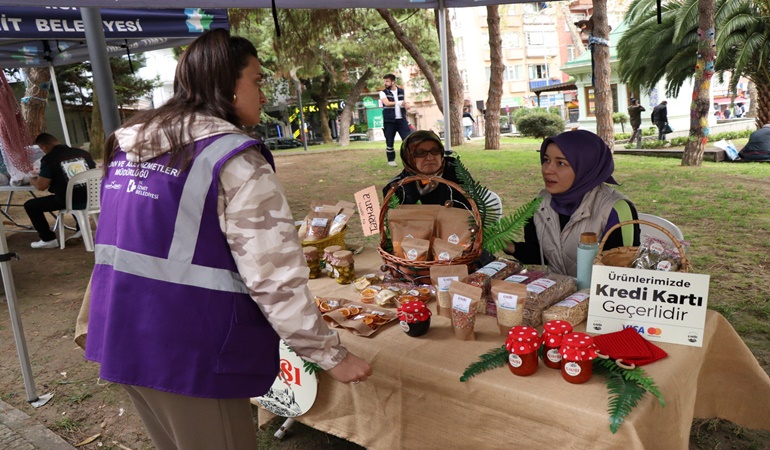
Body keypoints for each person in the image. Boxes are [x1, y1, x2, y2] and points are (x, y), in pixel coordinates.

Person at [83, 29, 371, 450]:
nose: (262, 90)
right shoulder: (234, 160)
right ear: (225, 84)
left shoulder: (128, 147)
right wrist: (332, 355)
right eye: (256, 79)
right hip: (194, 352)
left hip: (122, 334)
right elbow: (274, 277)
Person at [505, 130, 640, 277]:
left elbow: (624, 274)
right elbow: (543, 257)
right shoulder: (540, 204)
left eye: (561, 163)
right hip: (556, 292)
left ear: (586, 167)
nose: (547, 170)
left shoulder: (616, 209)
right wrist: (509, 246)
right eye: (546, 160)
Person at [24, 133, 96, 249]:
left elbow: (41, 186)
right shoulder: (83, 153)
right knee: (76, 191)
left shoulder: (49, 159)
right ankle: (81, 229)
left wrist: (31, 178)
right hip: (93, 197)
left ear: (44, 147)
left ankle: (48, 239)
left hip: (69, 200)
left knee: (30, 205)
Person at [382, 129, 471, 209]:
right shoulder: (396, 188)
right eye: (420, 153)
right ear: (408, 157)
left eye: (435, 151)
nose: (430, 157)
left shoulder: (460, 177)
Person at [380, 74, 412, 167]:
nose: (385, 83)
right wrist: (399, 103)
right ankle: (391, 160)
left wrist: (407, 105)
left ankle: (409, 159)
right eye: (385, 81)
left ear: (393, 82)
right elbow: (386, 103)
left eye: (387, 81)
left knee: (407, 140)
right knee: (389, 141)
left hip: (402, 120)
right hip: (389, 121)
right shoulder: (383, 92)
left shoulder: (401, 91)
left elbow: (404, 102)